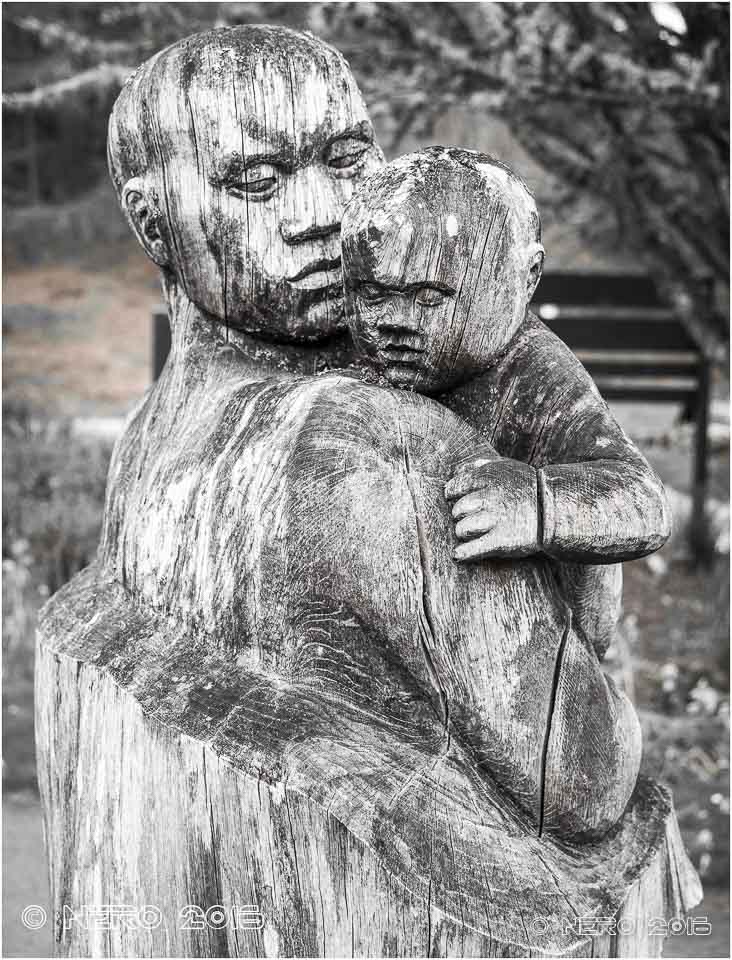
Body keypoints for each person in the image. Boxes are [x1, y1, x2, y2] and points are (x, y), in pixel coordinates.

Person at [342, 146, 671, 658]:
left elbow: (643, 502)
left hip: (535, 646)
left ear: (526, 278)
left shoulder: (536, 377)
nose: (395, 321)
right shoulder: (370, 356)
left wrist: (537, 503)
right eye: (374, 295)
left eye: (429, 298)